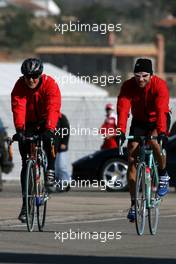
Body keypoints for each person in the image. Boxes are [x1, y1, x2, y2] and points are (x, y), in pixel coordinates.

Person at [116, 58, 170, 222]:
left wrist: (161, 132)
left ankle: (163, 175)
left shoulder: (159, 85)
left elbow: (161, 109)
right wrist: (121, 131)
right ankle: (134, 204)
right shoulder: (128, 86)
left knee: (153, 141)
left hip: (158, 119)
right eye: (137, 75)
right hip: (139, 121)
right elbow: (123, 110)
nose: (141, 79)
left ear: (151, 75)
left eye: (145, 76)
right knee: (131, 153)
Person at [11, 58, 61, 223]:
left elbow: (53, 107)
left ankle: (51, 171)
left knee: (50, 139)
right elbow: (18, 107)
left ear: (40, 75)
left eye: (34, 76)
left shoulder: (50, 84)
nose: (31, 80)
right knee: (26, 162)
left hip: (48, 120)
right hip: (29, 123)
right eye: (27, 76)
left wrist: (49, 129)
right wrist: (19, 131)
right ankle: (26, 206)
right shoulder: (19, 86)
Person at [55, 113, 71, 192]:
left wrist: (64, 142)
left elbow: (66, 130)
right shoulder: (47, 116)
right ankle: (59, 185)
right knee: (55, 169)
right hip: (52, 147)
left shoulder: (61, 117)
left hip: (61, 147)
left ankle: (67, 181)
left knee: (61, 166)